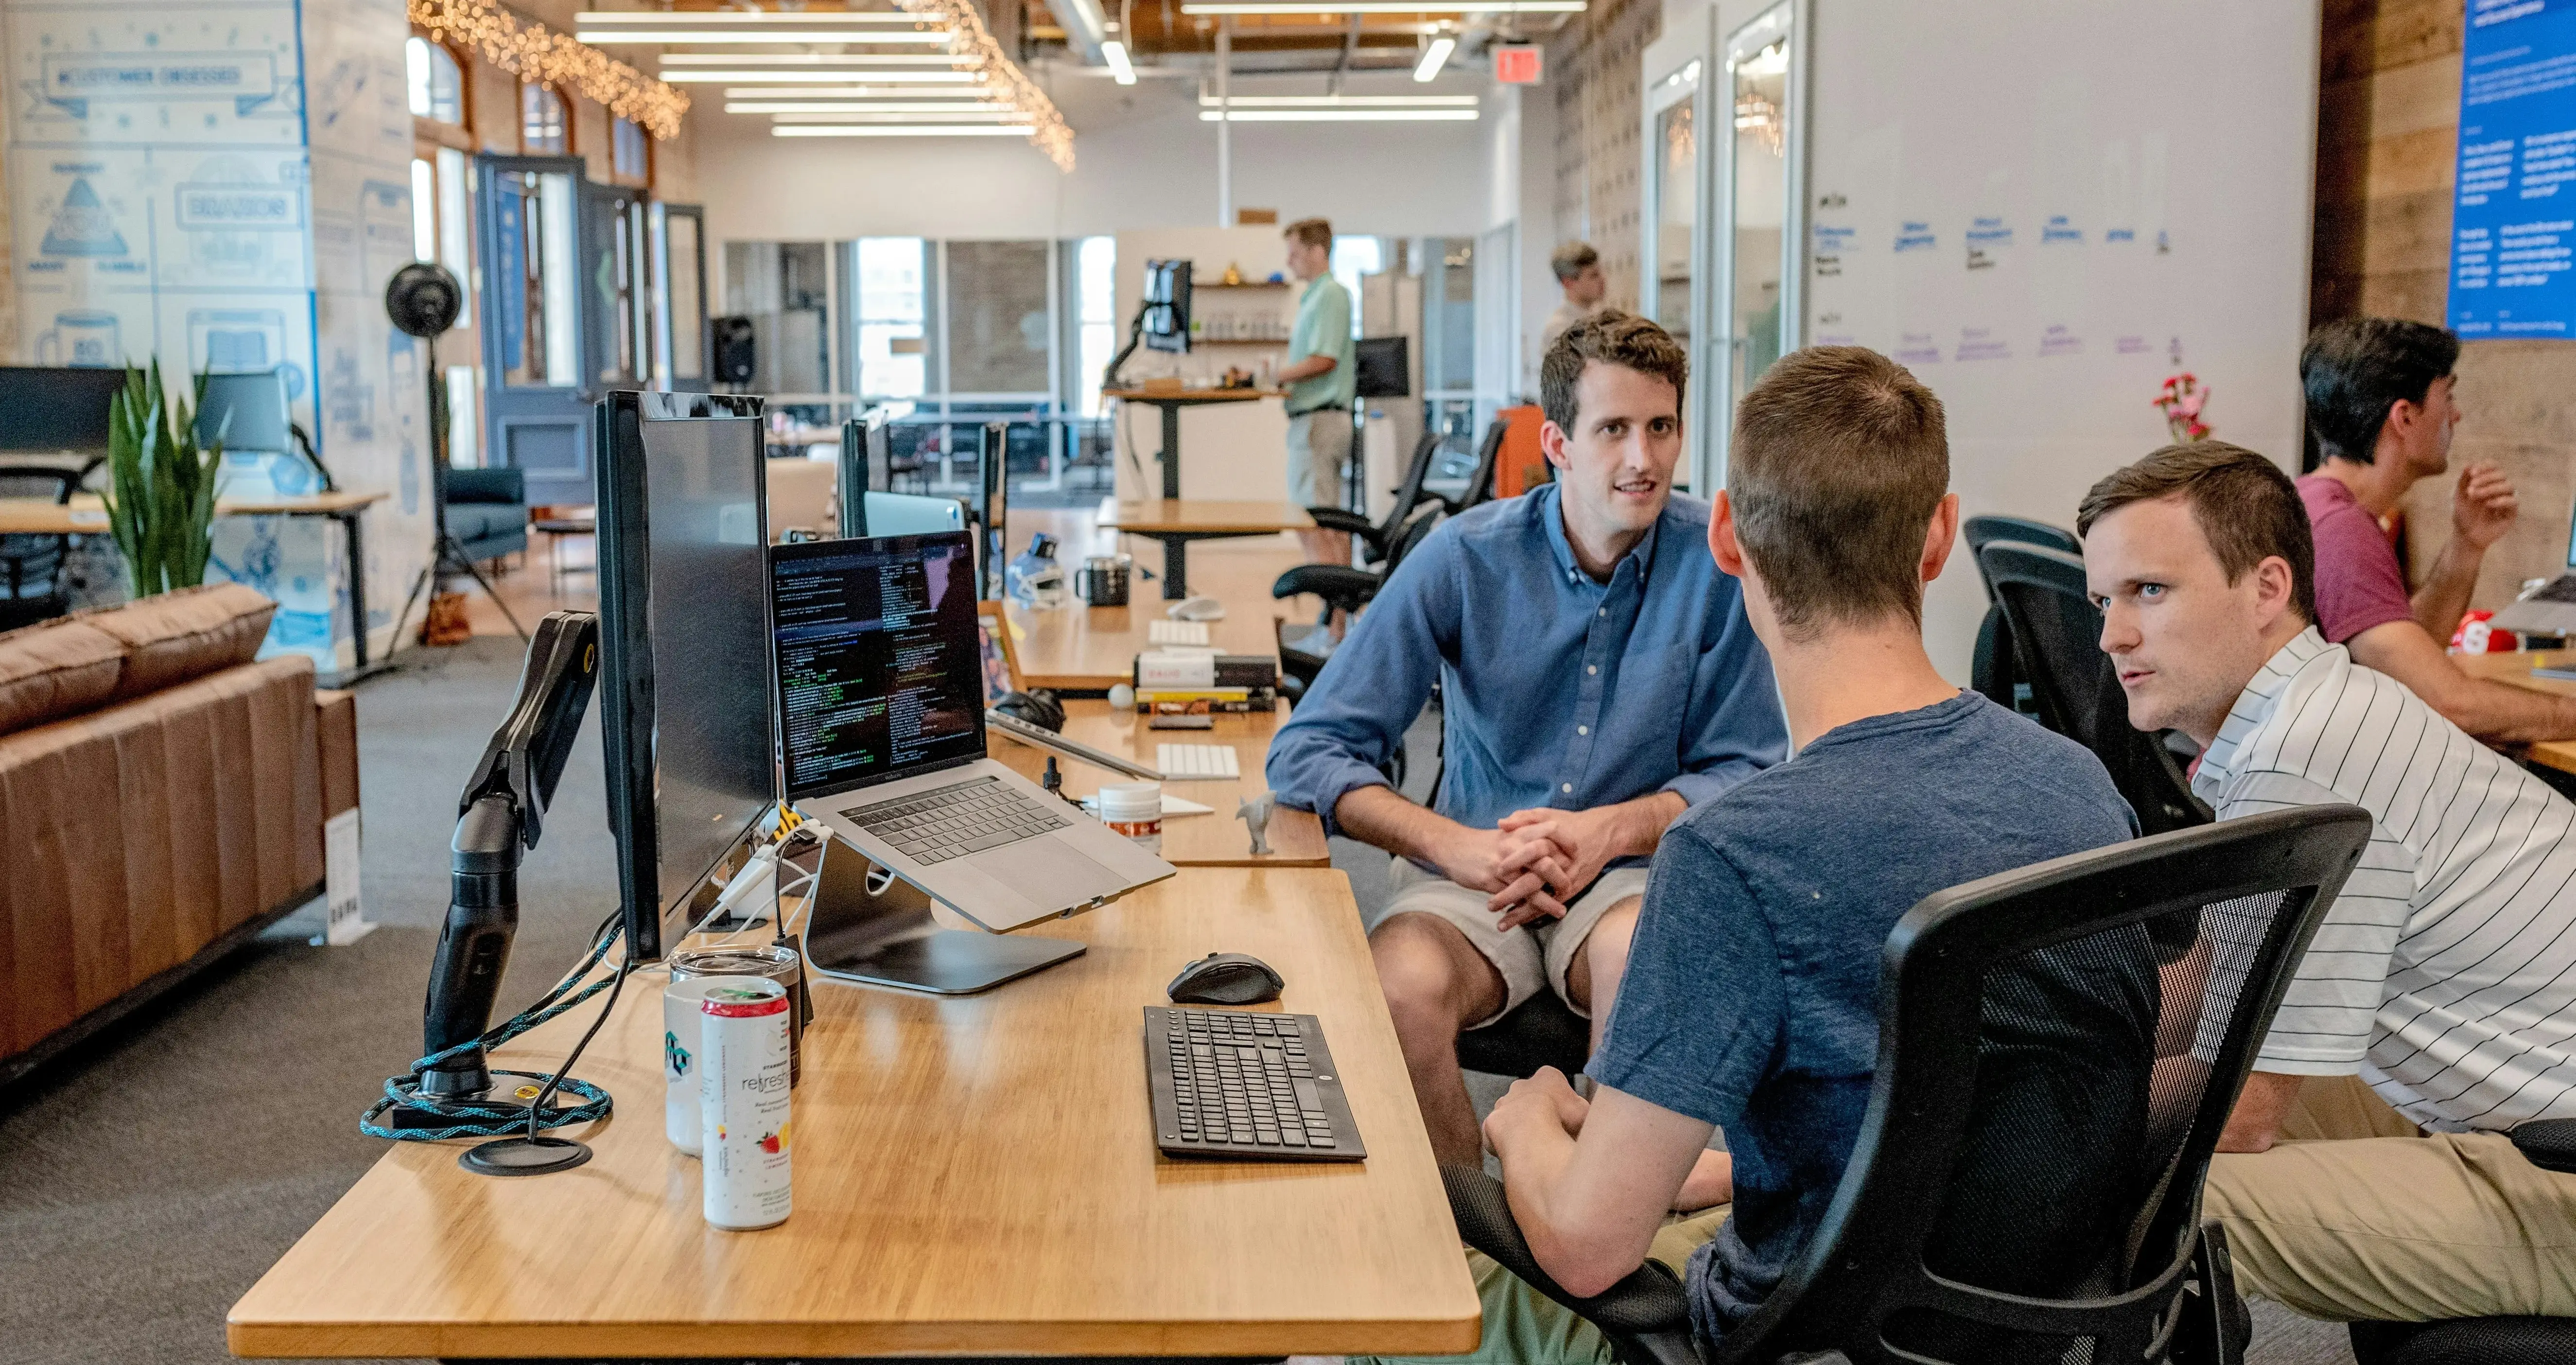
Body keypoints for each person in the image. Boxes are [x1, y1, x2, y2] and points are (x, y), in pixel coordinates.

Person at [1355, 345, 2155, 1365]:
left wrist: (1523, 1121)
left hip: (1783, 1334)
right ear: (1939, 536)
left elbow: (1588, 1248)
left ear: (1727, 536)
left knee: (1394, 1300)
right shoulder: (2081, 787)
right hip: (2009, 1325)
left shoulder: (1735, 856)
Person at [1266, 312, 1787, 1171]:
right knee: (1397, 990)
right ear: (1558, 442)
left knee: (1640, 965)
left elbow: (1753, 769)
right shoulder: (1464, 558)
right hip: (1475, 868)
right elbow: (1308, 749)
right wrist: (1454, 846)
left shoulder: (1719, 565)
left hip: (1631, 875)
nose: (1643, 459)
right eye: (1613, 429)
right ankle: (1474, 1234)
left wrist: (1612, 831)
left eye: (1662, 428)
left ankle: (1594, 1225)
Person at [2079, 439, 2576, 1323]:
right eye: (2104, 600)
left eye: (2149, 591)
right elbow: (2212, 991)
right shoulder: (2313, 716)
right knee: (2097, 1112)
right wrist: (2005, 1063)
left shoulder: (2306, 759)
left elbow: (2241, 1113)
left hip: (2553, 1177)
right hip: (2509, 1114)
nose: (2112, 635)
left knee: (2165, 1197)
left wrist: (1981, 1125)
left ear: (2269, 589)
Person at [2298, 317, 2576, 741]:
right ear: (2405, 418)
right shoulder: (2340, 532)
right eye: (2447, 397)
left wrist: (2467, 545)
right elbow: (2447, 702)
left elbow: (2407, 663)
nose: (2456, 414)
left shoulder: (2318, 503)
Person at [1277, 217, 1357, 565]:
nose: (1288, 261)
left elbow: (1325, 359)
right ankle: (1338, 615)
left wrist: (1277, 376)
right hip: (1313, 421)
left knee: (1317, 524)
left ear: (1317, 251)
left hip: (1320, 422)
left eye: (1295, 253)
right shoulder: (1314, 297)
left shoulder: (1330, 294)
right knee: (1321, 522)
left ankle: (1335, 618)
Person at [1539, 242, 1609, 355]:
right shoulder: (1558, 330)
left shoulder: (1603, 315)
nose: (1603, 279)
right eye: (1594, 275)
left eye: (1601, 272)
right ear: (1568, 283)